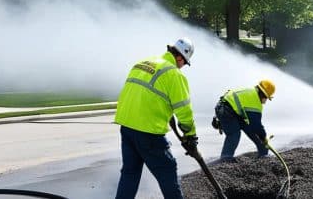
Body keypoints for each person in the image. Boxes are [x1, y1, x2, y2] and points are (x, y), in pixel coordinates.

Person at [114, 38, 197, 199]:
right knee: (167, 169)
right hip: (148, 132)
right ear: (180, 57)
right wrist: (190, 134)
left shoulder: (143, 63)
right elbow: (184, 111)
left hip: (127, 127)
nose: (182, 66)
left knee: (130, 172)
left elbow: (146, 96)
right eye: (184, 63)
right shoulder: (173, 73)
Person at [212, 80, 276, 162]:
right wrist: (264, 137)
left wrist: (262, 139)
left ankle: (263, 154)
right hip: (227, 111)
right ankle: (226, 158)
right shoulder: (255, 102)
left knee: (250, 129)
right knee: (234, 134)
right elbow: (257, 126)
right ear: (263, 94)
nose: (265, 101)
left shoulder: (250, 91)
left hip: (227, 110)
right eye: (266, 98)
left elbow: (252, 126)